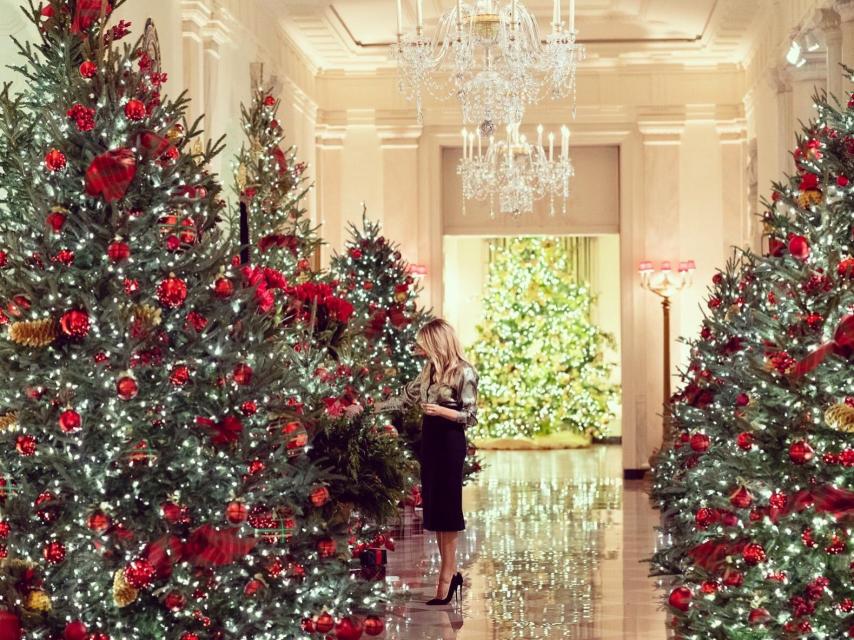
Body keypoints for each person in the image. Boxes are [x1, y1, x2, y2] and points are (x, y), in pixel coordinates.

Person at [347, 319, 478, 605]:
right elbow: (402, 399)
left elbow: (470, 416)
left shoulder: (464, 372)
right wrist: (368, 408)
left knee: (449, 508)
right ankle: (450, 574)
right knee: (436, 509)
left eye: (422, 342)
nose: (418, 348)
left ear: (437, 341)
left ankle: (447, 577)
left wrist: (443, 412)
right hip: (430, 442)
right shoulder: (429, 370)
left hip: (450, 441)